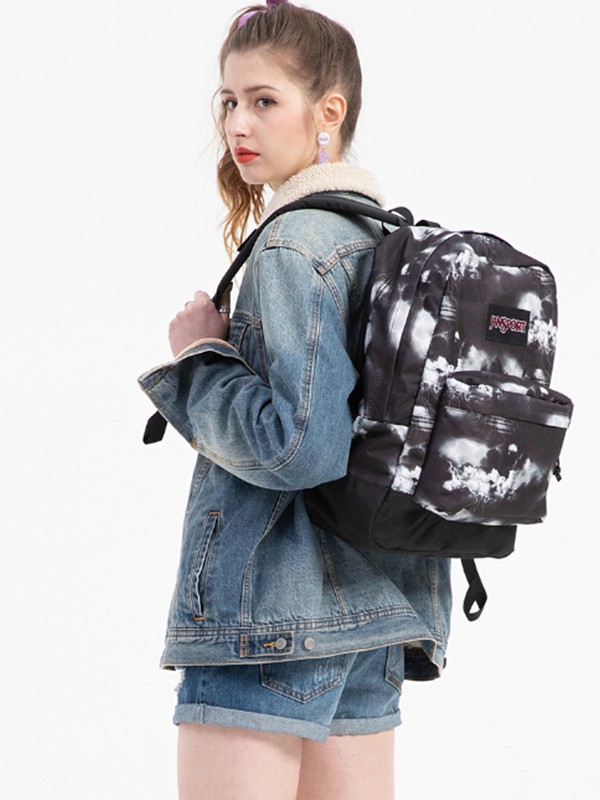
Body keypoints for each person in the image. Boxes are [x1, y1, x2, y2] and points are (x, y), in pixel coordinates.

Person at [138, 2, 452, 798]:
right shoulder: (382, 243)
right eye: (228, 101)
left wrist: (200, 360)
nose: (237, 123)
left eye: (264, 100)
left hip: (271, 618)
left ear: (329, 112)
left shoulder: (292, 244)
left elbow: (299, 448)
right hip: (379, 613)